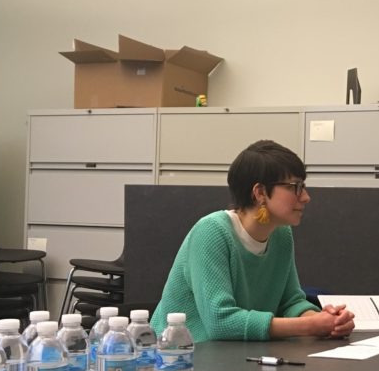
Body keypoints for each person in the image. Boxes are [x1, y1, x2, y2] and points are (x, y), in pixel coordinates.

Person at [151, 140, 354, 342]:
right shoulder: (212, 232)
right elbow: (220, 321)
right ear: (260, 193)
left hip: (237, 355)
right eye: (296, 187)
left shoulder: (281, 234)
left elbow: (290, 302)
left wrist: (325, 321)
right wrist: (309, 326)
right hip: (179, 359)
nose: (306, 197)